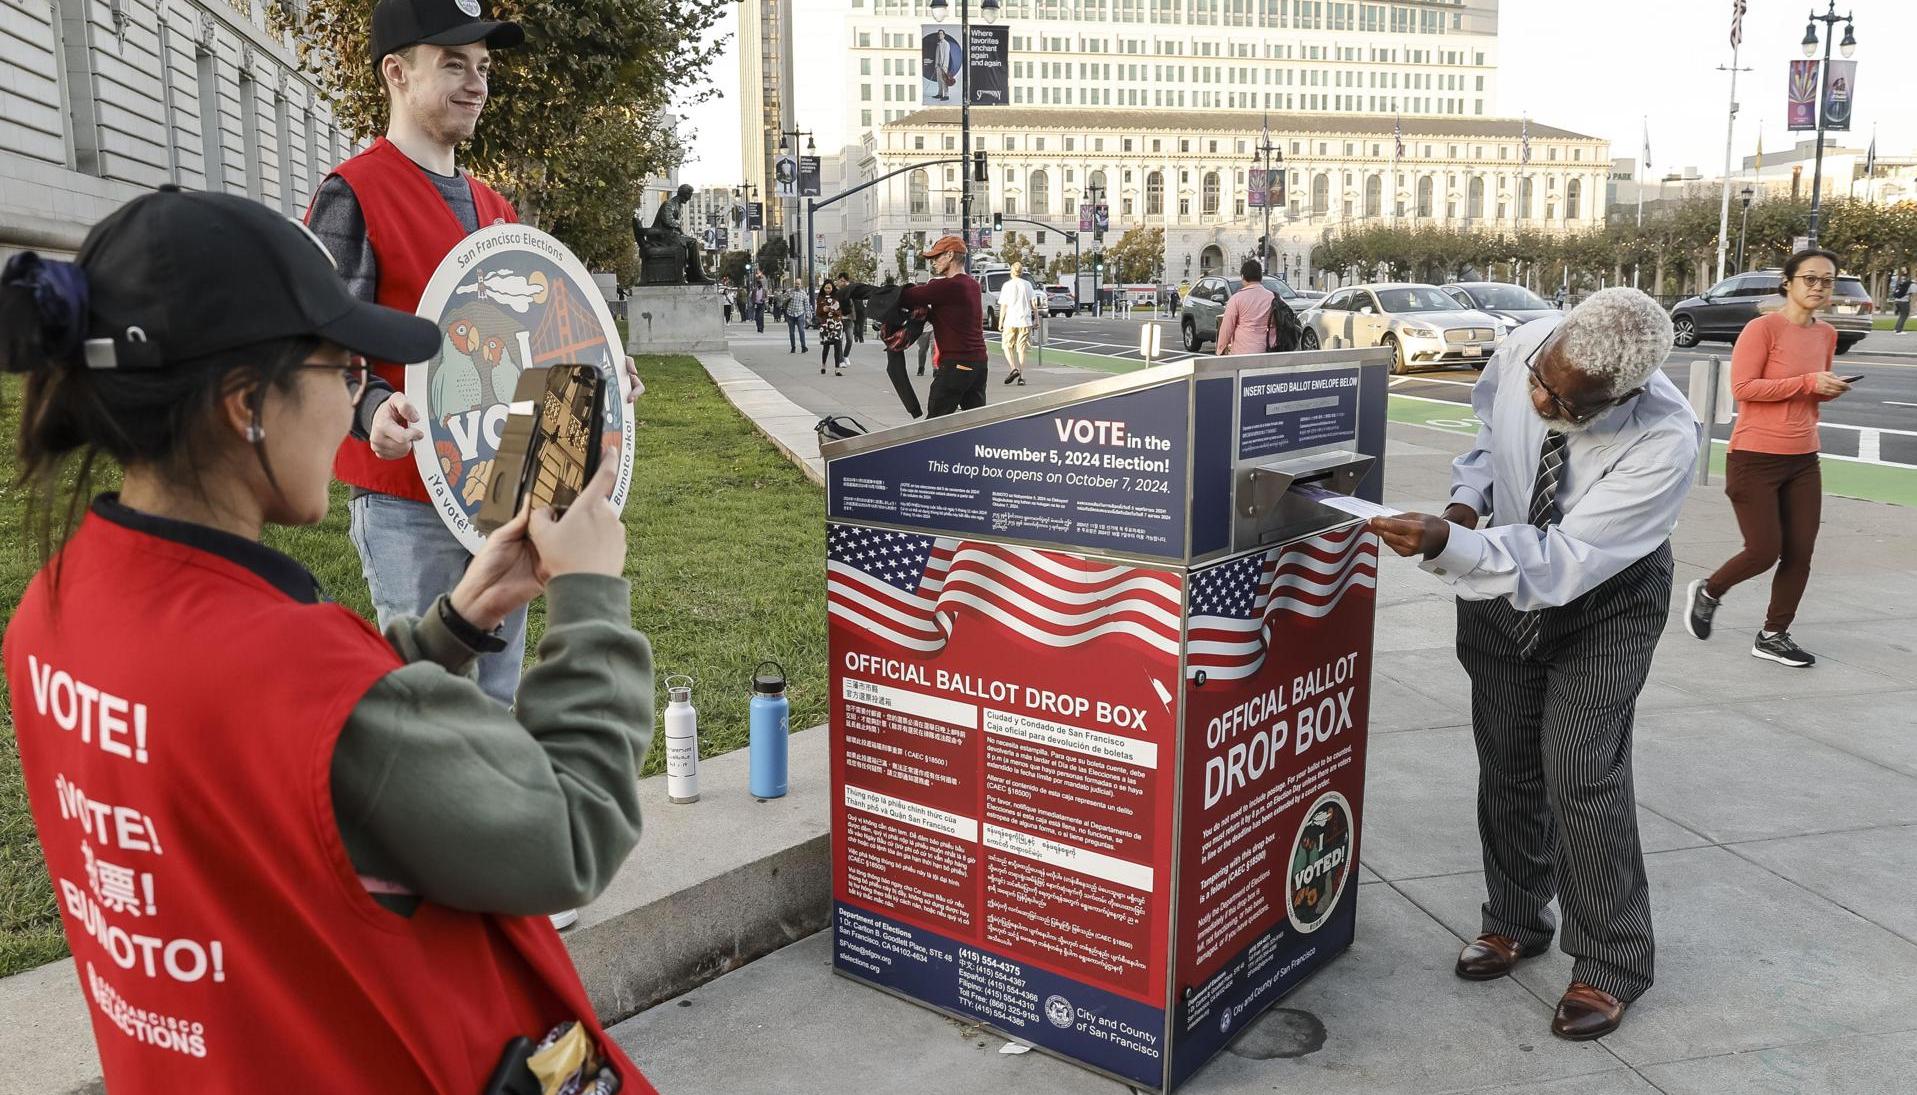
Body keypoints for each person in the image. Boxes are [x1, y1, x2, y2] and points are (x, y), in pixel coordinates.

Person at [1, 187, 655, 1093]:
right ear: (245, 405)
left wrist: (455, 621)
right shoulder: (289, 671)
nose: (355, 400)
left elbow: (274, 773)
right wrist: (588, 595)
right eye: (344, 371)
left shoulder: (54, 608)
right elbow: (574, 833)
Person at [1367, 288, 1700, 1043]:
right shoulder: (1533, 345)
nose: (1541, 397)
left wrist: (1446, 547)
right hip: (1498, 566)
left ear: (1624, 394)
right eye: (1542, 379)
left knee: (1581, 769)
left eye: (1568, 402)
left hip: (1603, 599)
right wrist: (1462, 502)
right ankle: (1515, 918)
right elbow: (1490, 431)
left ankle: (1611, 961)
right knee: (1508, 758)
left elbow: (1562, 564)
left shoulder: (1664, 439)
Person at [1686, 248, 1852, 668]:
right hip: (1754, 457)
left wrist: (1826, 388)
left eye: (1827, 280)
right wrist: (1806, 382)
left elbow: (1808, 392)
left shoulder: (1826, 334)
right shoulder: (1763, 329)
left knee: (1800, 552)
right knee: (1763, 550)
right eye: (1809, 278)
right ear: (1789, 282)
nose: (1818, 286)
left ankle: (1774, 635)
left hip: (1803, 458)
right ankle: (1709, 590)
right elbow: (1744, 388)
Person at [901, 235, 987, 416]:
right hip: (978, 363)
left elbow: (908, 296)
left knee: (937, 423)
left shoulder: (950, 286)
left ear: (950, 255)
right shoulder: (972, 284)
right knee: (976, 421)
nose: (933, 262)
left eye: (936, 257)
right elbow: (950, 318)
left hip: (957, 363)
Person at [1216, 258, 1275, 355]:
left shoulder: (1236, 299)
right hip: (1268, 350)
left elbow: (1227, 327)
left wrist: (1220, 349)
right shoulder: (1273, 297)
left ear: (1243, 277)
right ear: (1261, 277)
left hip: (1243, 352)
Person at [997, 262, 1036, 385]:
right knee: (1022, 349)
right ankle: (1021, 376)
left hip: (1010, 320)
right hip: (1025, 320)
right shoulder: (1028, 285)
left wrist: (1000, 321)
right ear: (1022, 272)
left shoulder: (1007, 285)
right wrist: (1037, 320)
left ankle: (1013, 368)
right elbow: (1033, 304)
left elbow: (1004, 305)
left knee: (1007, 346)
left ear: (1011, 272)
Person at [816, 275, 846, 375]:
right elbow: (818, 313)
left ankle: (837, 369)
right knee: (826, 346)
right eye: (826, 288)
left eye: (829, 288)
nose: (828, 289)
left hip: (836, 323)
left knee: (838, 345)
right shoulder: (820, 298)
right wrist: (823, 310)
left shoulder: (837, 298)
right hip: (825, 325)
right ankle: (823, 365)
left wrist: (834, 310)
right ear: (823, 288)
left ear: (832, 288)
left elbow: (841, 312)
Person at [784, 279, 809, 354]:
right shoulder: (789, 291)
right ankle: (793, 347)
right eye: (796, 284)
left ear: (801, 285)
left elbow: (806, 305)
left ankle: (803, 346)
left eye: (798, 284)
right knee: (791, 332)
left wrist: (808, 315)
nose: (797, 285)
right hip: (790, 313)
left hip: (800, 314)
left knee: (801, 330)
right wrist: (788, 298)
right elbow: (783, 300)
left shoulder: (803, 294)